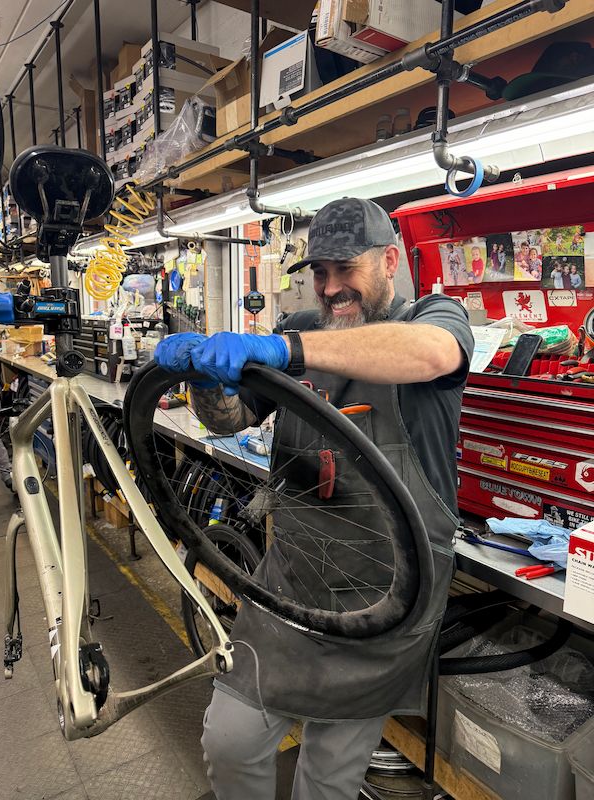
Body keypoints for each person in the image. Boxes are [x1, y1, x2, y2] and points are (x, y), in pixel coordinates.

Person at [155, 197, 474, 800]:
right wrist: (203, 380)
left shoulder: (434, 316)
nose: (329, 288)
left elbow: (431, 353)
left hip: (384, 606)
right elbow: (229, 420)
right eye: (318, 273)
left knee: (329, 776)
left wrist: (285, 353)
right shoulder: (303, 330)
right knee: (230, 739)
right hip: (291, 586)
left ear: (388, 260)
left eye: (344, 270)